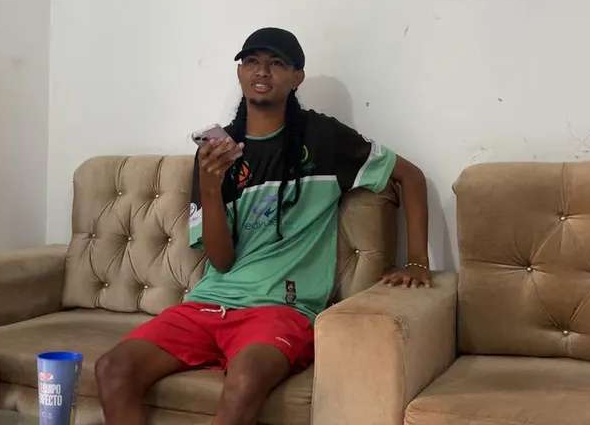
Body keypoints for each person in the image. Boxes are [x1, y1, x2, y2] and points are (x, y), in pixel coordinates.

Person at [95, 27, 432, 425]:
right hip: (208, 303)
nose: (262, 71)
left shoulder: (324, 138)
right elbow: (221, 261)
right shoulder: (216, 153)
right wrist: (210, 185)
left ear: (296, 77)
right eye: (252, 61)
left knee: (246, 379)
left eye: (277, 63)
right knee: (113, 369)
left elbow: (410, 176)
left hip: (281, 308)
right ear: (240, 72)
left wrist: (417, 261)